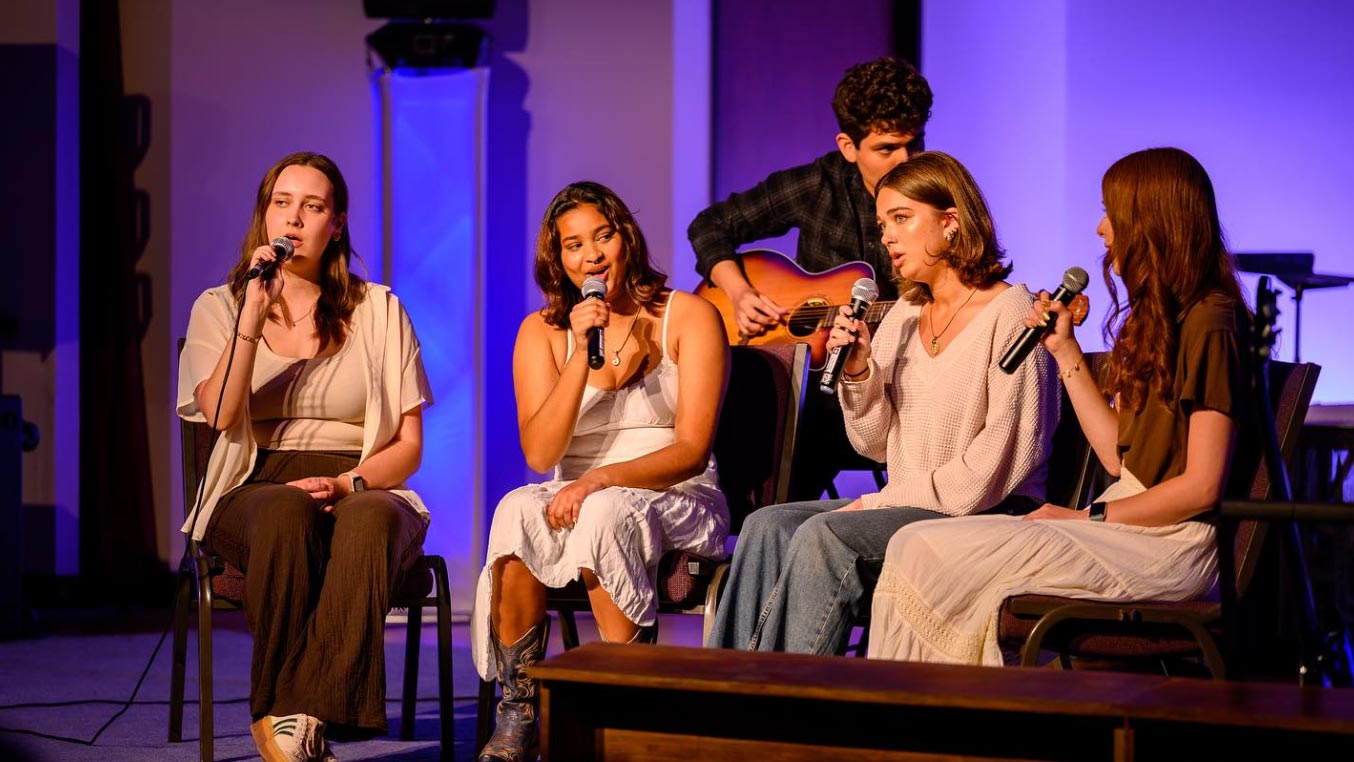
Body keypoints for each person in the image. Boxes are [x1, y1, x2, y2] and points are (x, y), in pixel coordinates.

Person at [867, 147, 1253, 666]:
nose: (1100, 228)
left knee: (927, 551)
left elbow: (1201, 487)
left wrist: (1087, 515)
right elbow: (1122, 461)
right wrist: (1064, 351)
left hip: (1168, 544)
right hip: (1130, 522)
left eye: (1111, 213)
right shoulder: (1164, 317)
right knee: (916, 543)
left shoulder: (1213, 319)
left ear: (1151, 219)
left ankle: (934, 718)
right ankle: (913, 717)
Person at [706, 151, 1059, 656]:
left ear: (951, 222)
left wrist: (882, 500)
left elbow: (992, 470)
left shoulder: (1013, 315)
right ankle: (721, 691)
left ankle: (787, 703)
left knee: (828, 537)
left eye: (901, 219)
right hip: (911, 506)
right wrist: (857, 370)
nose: (886, 237)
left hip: (987, 513)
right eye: (882, 223)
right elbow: (872, 446)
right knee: (766, 525)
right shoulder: (905, 315)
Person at [176, 152, 433, 761]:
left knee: (371, 519)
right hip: (254, 481)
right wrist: (251, 318)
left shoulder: (379, 310)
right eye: (281, 203)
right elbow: (216, 415)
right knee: (286, 515)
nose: (293, 219)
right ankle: (292, 713)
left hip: (360, 479)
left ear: (336, 224)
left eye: (312, 207)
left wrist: (351, 484)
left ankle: (300, 714)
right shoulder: (220, 306)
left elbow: (410, 446)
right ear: (264, 217)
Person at [473, 181, 730, 762]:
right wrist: (577, 352)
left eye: (602, 237)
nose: (590, 256)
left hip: (675, 491)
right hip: (576, 490)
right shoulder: (540, 332)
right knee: (516, 507)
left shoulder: (688, 316)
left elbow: (691, 447)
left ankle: (625, 703)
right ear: (557, 259)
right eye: (572, 245)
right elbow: (541, 455)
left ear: (626, 239)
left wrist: (600, 481)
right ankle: (518, 710)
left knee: (605, 510)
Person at [688, 56, 935, 501]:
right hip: (809, 397)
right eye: (886, 149)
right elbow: (710, 226)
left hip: (894, 384)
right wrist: (740, 293)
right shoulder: (819, 184)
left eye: (913, 145)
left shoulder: (937, 194)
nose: (905, 161)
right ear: (848, 146)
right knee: (762, 434)